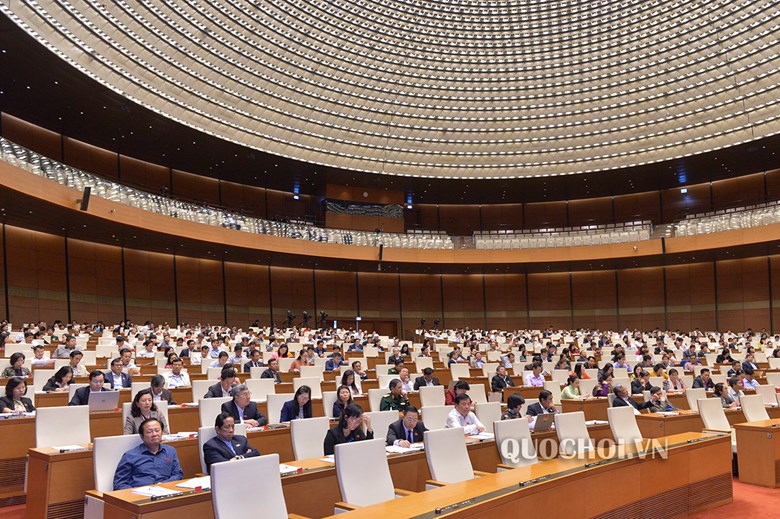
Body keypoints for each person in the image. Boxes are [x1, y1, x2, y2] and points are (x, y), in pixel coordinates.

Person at [113, 418, 183, 490]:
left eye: (157, 430)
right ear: (142, 436)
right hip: (139, 495)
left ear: (162, 433)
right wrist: (135, 492)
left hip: (166, 491)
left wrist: (164, 484)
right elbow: (119, 483)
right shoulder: (130, 456)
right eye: (149, 432)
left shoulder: (170, 451)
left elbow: (178, 474)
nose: (154, 434)